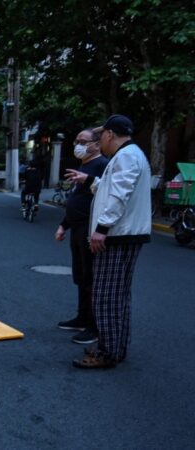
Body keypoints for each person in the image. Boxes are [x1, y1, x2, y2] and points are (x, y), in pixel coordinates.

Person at [65, 114, 151, 368]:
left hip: (118, 235)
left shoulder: (126, 156)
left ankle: (108, 351)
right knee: (117, 295)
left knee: (106, 295)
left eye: (101, 136)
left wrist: (101, 229)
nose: (99, 141)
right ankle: (114, 347)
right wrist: (89, 180)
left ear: (110, 134)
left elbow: (118, 195)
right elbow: (111, 187)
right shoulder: (131, 155)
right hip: (124, 234)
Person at [54, 128, 108, 345]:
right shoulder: (85, 164)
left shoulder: (102, 165)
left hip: (89, 227)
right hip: (76, 227)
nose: (78, 144)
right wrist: (63, 225)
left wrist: (88, 180)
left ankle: (94, 326)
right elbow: (78, 197)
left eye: (83, 141)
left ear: (97, 143)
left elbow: (105, 195)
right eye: (76, 140)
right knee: (80, 275)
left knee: (90, 277)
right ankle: (82, 317)